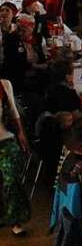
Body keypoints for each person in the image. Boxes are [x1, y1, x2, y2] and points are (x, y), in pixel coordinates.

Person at [0, 71, 30, 235]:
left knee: (11, 181)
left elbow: (14, 111)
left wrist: (21, 133)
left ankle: (15, 220)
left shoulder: (4, 85)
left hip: (7, 140)